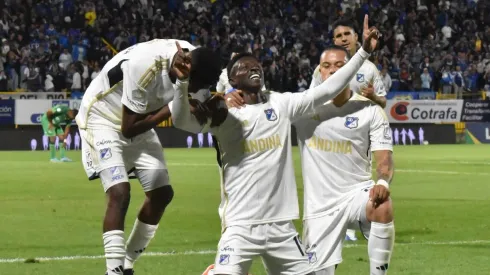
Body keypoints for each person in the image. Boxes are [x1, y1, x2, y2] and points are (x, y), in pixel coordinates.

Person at [174, 16, 380, 275]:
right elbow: (182, 121)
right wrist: (181, 84)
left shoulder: (282, 104)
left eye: (257, 65)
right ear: (232, 79)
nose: (254, 68)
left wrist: (363, 53)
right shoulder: (222, 111)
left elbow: (328, 90)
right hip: (241, 226)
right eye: (245, 66)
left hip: (281, 227)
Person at [75, 39, 222, 275]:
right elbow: (128, 128)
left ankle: (127, 265)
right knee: (119, 192)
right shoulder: (144, 66)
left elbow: (195, 105)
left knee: (162, 194)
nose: (194, 91)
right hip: (104, 118)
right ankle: (113, 272)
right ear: (184, 68)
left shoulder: (197, 60)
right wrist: (175, 106)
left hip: (138, 114)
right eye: (193, 85)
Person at [297, 46, 395, 275]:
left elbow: (384, 159)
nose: (333, 71)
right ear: (319, 72)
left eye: (340, 66)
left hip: (356, 195)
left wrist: (382, 182)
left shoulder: (369, 109)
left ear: (351, 71)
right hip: (319, 209)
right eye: (327, 66)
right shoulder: (303, 108)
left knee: (382, 204)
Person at [311, 18, 388, 241]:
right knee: (331, 174)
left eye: (347, 34)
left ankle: (357, 221)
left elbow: (383, 102)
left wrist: (373, 96)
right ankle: (340, 222)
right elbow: (312, 98)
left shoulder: (370, 69)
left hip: (360, 132)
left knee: (359, 173)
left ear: (356, 38)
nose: (343, 38)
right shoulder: (322, 68)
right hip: (331, 132)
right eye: (338, 36)